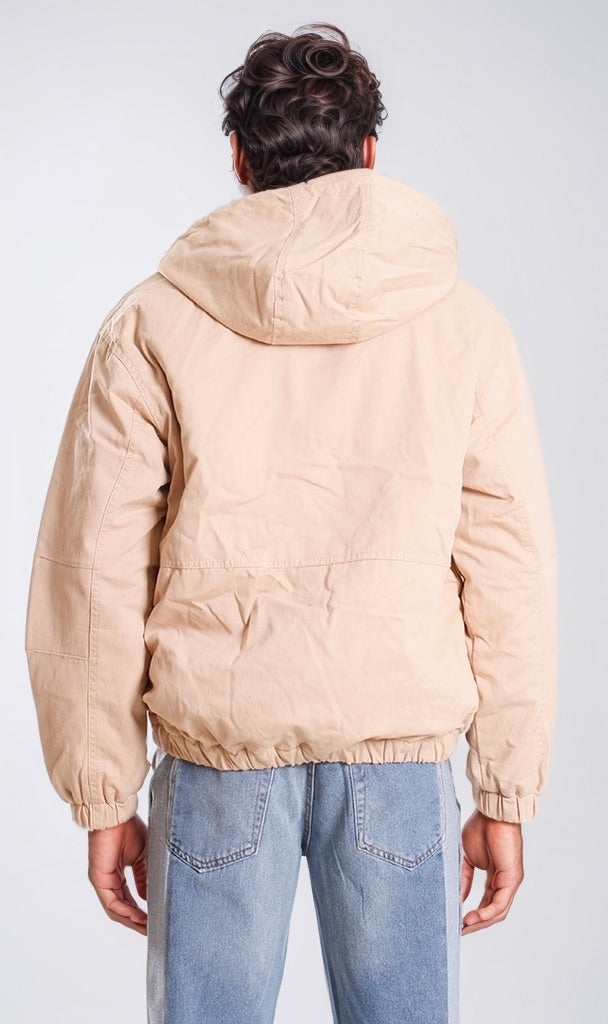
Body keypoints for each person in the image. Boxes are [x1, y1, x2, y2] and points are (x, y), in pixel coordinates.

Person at [24, 21, 558, 1024]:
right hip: (397, 753)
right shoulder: (465, 327)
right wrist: (505, 790)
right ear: (368, 153)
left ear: (239, 157)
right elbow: (508, 572)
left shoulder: (151, 324)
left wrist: (102, 795)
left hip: (219, 752)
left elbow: (93, 573)